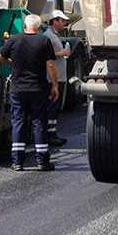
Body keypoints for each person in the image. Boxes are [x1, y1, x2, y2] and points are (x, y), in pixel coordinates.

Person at [0, 14, 60, 172]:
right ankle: (42, 162)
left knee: (18, 122)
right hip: (38, 89)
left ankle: (17, 162)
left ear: (25, 26)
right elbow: (51, 65)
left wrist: (12, 62)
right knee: (39, 123)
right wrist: (55, 85)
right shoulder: (44, 41)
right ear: (38, 28)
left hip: (18, 89)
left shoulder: (13, 40)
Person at [43, 10, 72, 147]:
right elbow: (47, 56)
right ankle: (50, 134)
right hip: (52, 78)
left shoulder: (53, 35)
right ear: (55, 21)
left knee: (54, 106)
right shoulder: (49, 36)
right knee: (52, 106)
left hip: (56, 76)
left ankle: (50, 133)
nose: (65, 23)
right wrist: (64, 52)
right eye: (62, 20)